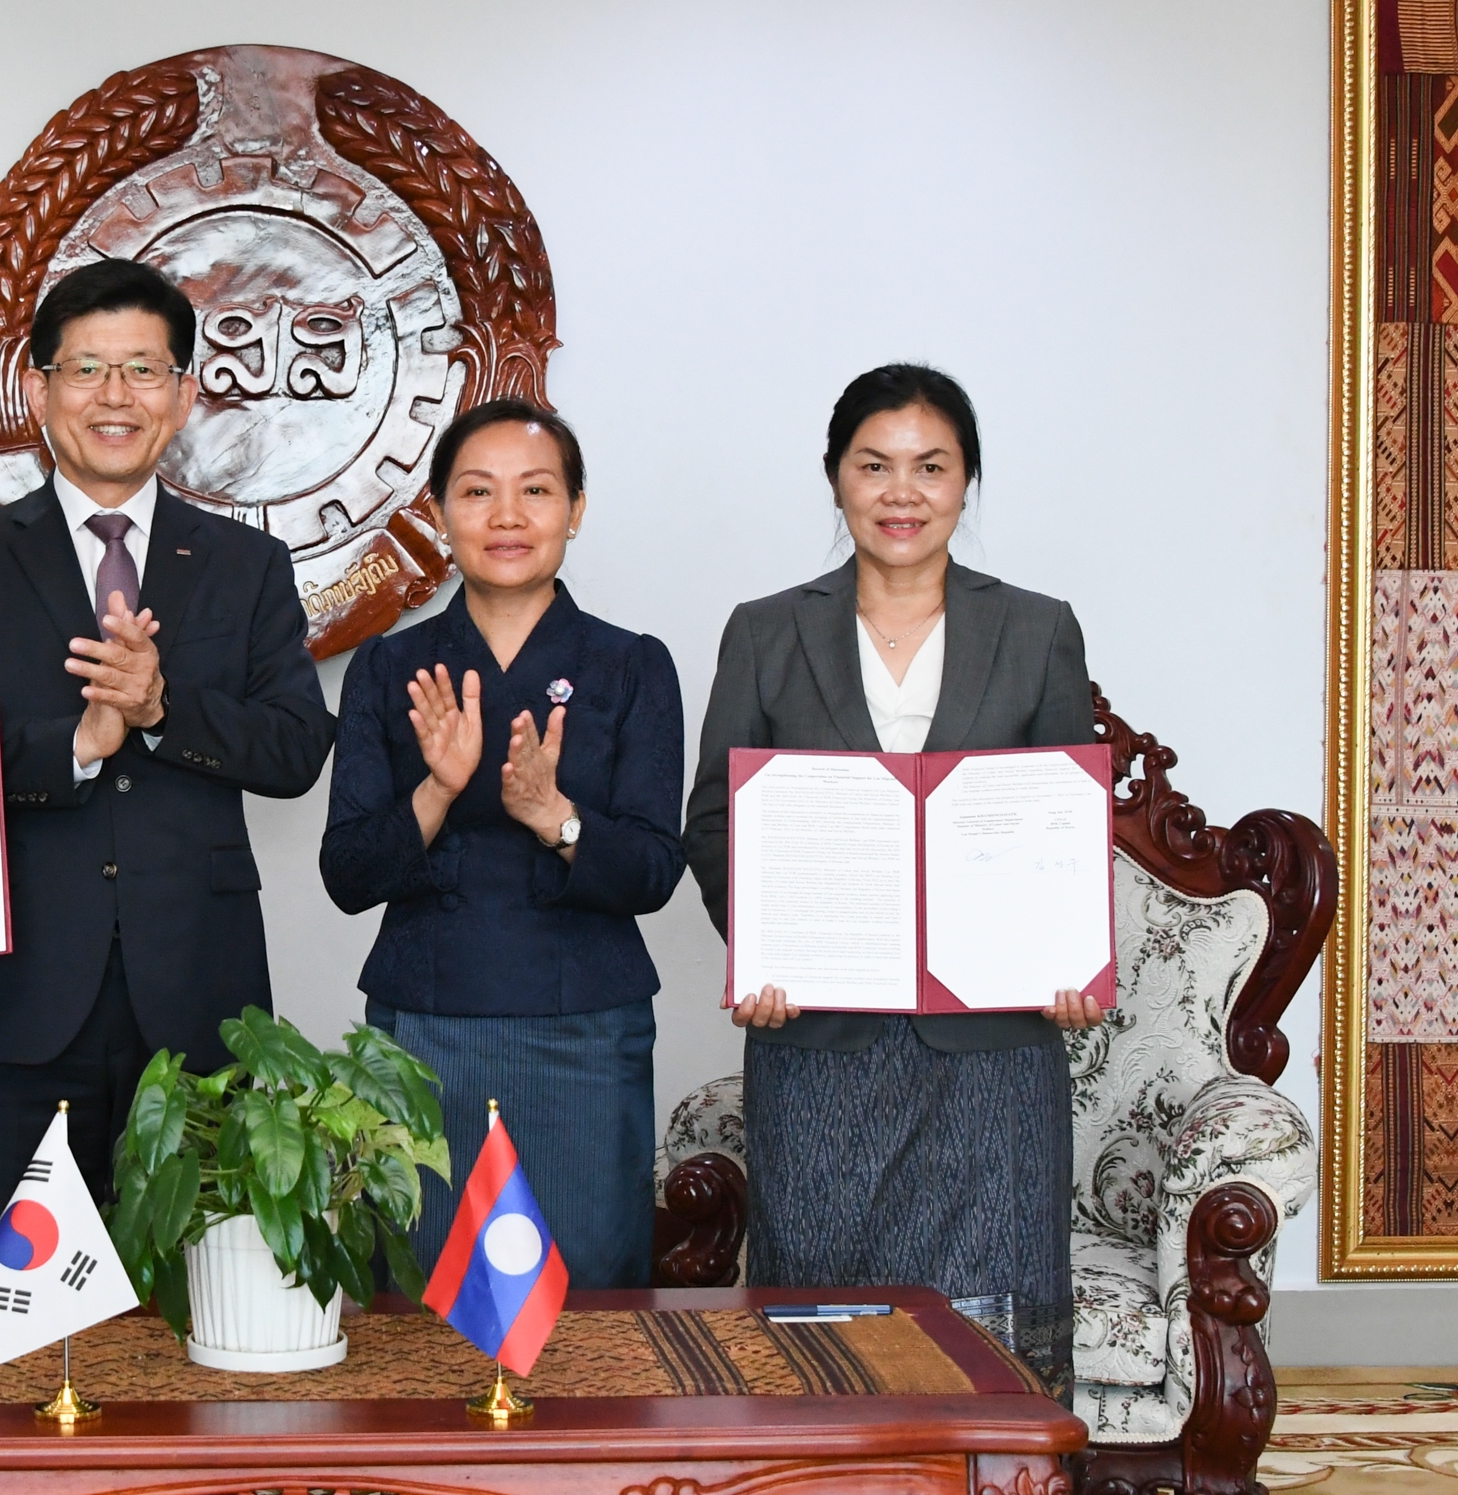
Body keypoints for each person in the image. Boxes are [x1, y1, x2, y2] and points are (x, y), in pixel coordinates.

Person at [0, 258, 336, 1255]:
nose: (115, 396)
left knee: (201, 1299)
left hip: (201, 997)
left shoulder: (246, 565)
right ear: (38, 389)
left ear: (183, 395)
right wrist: (79, 744)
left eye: (143, 370)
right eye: (87, 369)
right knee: (32, 1302)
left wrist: (162, 707)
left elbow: (296, 747)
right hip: (19, 995)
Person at [681, 362, 1102, 1397]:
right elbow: (715, 821)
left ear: (966, 482)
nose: (901, 492)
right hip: (819, 1043)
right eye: (874, 465)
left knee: (990, 1335)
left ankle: (987, 1487)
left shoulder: (1038, 627)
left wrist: (1067, 958)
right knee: (823, 1329)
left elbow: (1064, 819)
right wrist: (762, 947)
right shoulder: (766, 629)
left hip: (993, 1054)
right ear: (836, 477)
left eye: (930, 466)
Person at [319, 399, 686, 1288]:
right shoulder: (389, 667)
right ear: (440, 513)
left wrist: (553, 815)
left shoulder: (631, 665)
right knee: (425, 1303)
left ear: (576, 509)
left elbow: (652, 871)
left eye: (537, 490)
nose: (508, 516)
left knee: (584, 1304)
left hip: (584, 1031)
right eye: (478, 492)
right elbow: (348, 874)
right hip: (423, 1031)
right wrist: (439, 789)